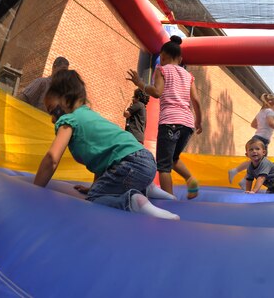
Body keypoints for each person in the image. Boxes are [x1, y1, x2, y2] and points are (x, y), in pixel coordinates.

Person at [33, 69, 179, 220]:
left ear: (65, 99)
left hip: (130, 165)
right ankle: (147, 187)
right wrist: (96, 186)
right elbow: (104, 162)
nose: (52, 119)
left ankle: (132, 201)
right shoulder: (90, 116)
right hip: (145, 161)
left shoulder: (69, 120)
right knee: (97, 190)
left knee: (94, 198)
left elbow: (51, 159)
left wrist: (34, 190)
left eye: (53, 111)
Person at [127, 36, 202, 199]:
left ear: (163, 56)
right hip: (187, 124)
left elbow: (157, 92)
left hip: (170, 122)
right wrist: (199, 121)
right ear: (180, 59)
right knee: (173, 158)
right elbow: (195, 100)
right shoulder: (188, 76)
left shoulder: (162, 69)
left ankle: (169, 199)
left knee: (163, 166)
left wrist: (140, 83)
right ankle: (190, 178)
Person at [228, 93, 274, 188]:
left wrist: (262, 126)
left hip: (257, 137)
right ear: (271, 103)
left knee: (256, 162)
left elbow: (253, 124)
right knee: (260, 162)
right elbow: (270, 123)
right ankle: (236, 172)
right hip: (262, 139)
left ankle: (242, 179)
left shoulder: (261, 112)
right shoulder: (270, 112)